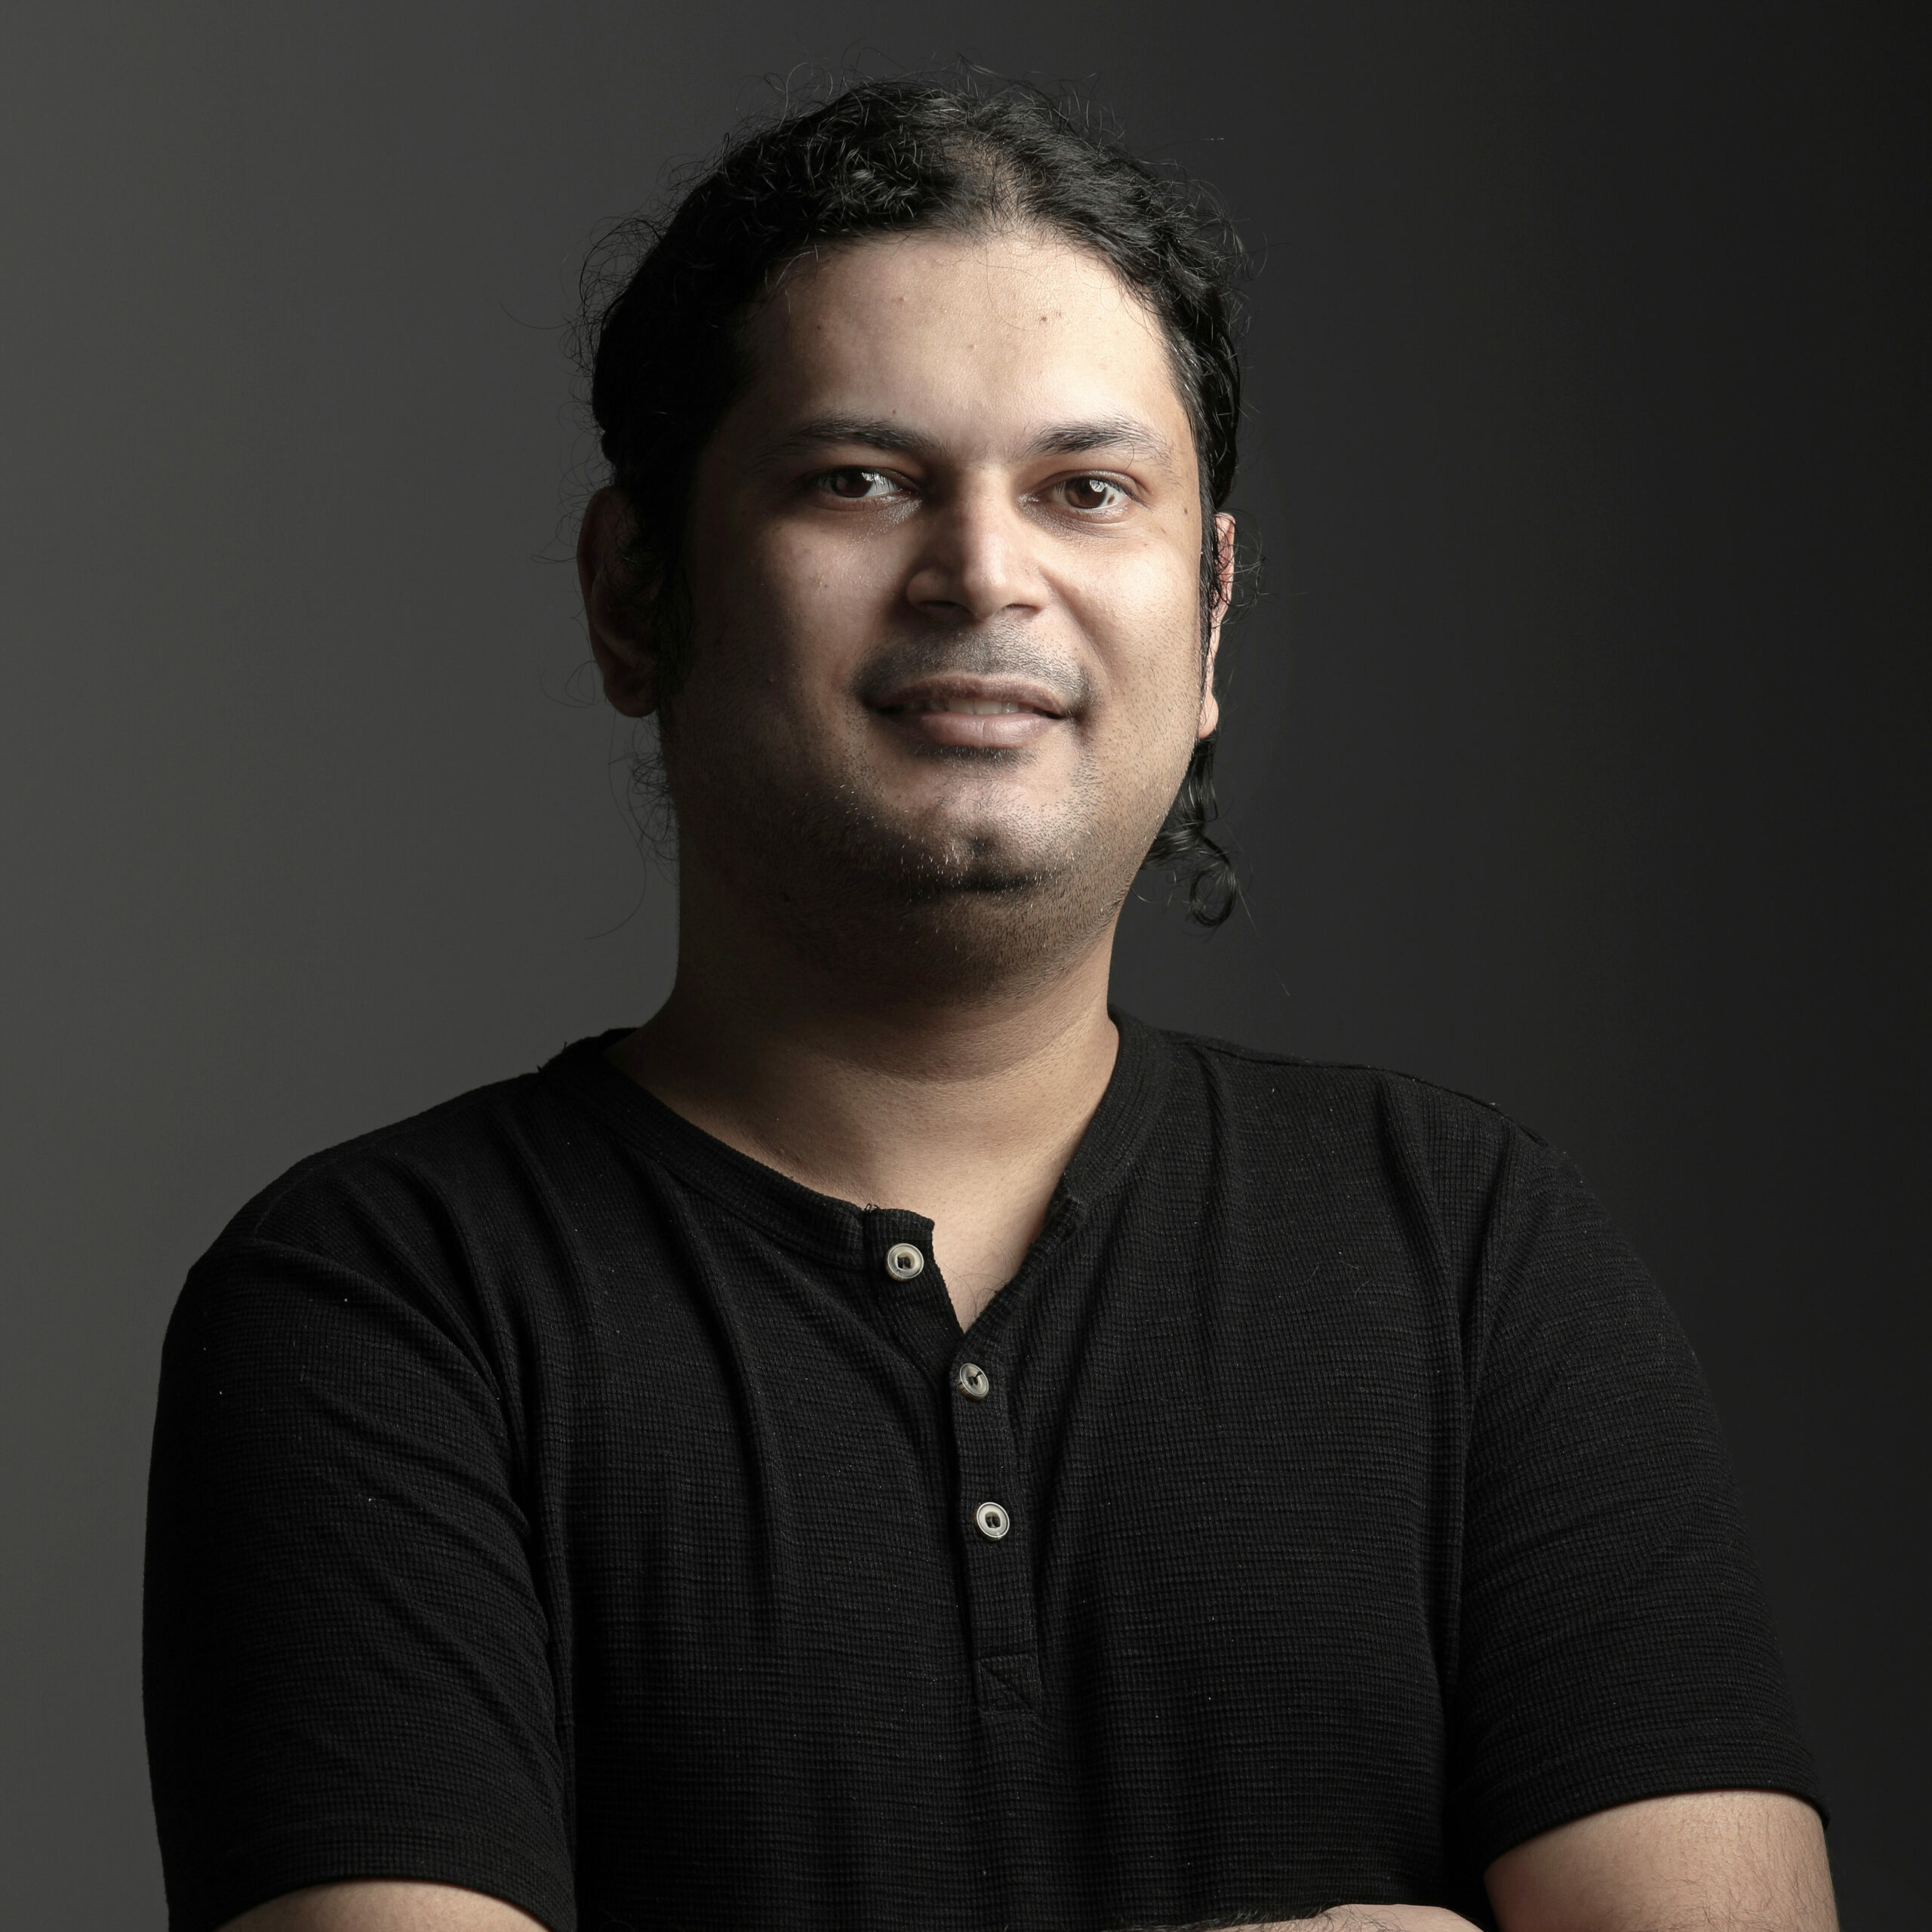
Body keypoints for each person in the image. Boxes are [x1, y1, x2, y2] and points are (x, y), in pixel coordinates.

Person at [143, 78, 1836, 1932]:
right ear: (635, 594)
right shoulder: (382, 1302)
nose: (982, 571)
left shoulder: (1470, 1249)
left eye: (1083, 491)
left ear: (1207, 615)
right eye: (858, 480)